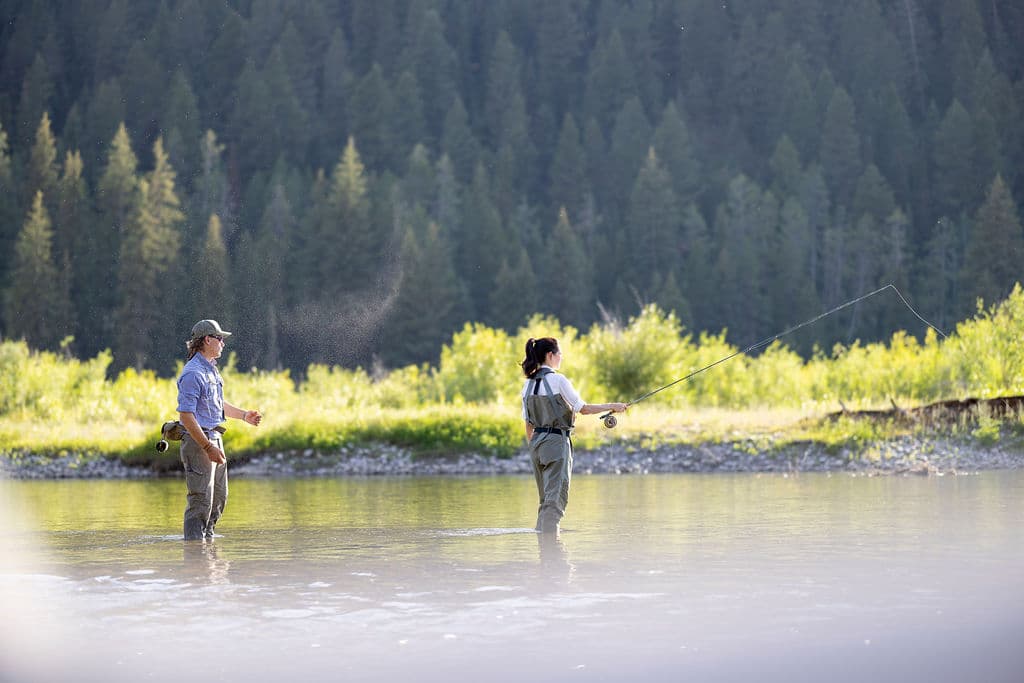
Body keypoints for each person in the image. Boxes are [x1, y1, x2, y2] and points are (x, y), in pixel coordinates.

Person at [521, 337, 626, 533]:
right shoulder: (558, 380)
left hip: (535, 445)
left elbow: (528, 424)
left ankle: (544, 544)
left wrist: (535, 446)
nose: (561, 357)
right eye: (559, 354)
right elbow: (583, 408)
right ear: (550, 355)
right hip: (556, 442)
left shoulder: (527, 385)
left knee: (545, 499)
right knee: (556, 498)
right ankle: (552, 551)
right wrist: (614, 406)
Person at [177, 319, 262, 541]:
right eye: (220, 339)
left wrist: (244, 415)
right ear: (207, 340)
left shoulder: (211, 370)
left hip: (215, 438)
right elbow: (185, 415)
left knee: (219, 498)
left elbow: (217, 404)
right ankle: (195, 558)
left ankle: (207, 547)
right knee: (200, 501)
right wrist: (207, 446)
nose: (223, 343)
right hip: (200, 442)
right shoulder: (193, 373)